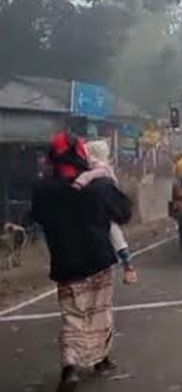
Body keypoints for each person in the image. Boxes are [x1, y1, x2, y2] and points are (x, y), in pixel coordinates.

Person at [31, 132, 133, 391]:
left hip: (65, 264)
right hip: (98, 260)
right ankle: (101, 360)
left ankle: (69, 366)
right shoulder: (99, 185)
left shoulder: (43, 189)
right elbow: (123, 213)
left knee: (72, 316)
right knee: (99, 312)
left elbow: (38, 218)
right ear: (81, 155)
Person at [73, 140, 139, 285]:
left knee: (114, 236)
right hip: (106, 209)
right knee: (117, 238)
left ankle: (127, 269)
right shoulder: (106, 168)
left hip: (102, 210)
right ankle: (127, 268)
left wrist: (79, 183)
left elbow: (87, 178)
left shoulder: (99, 169)